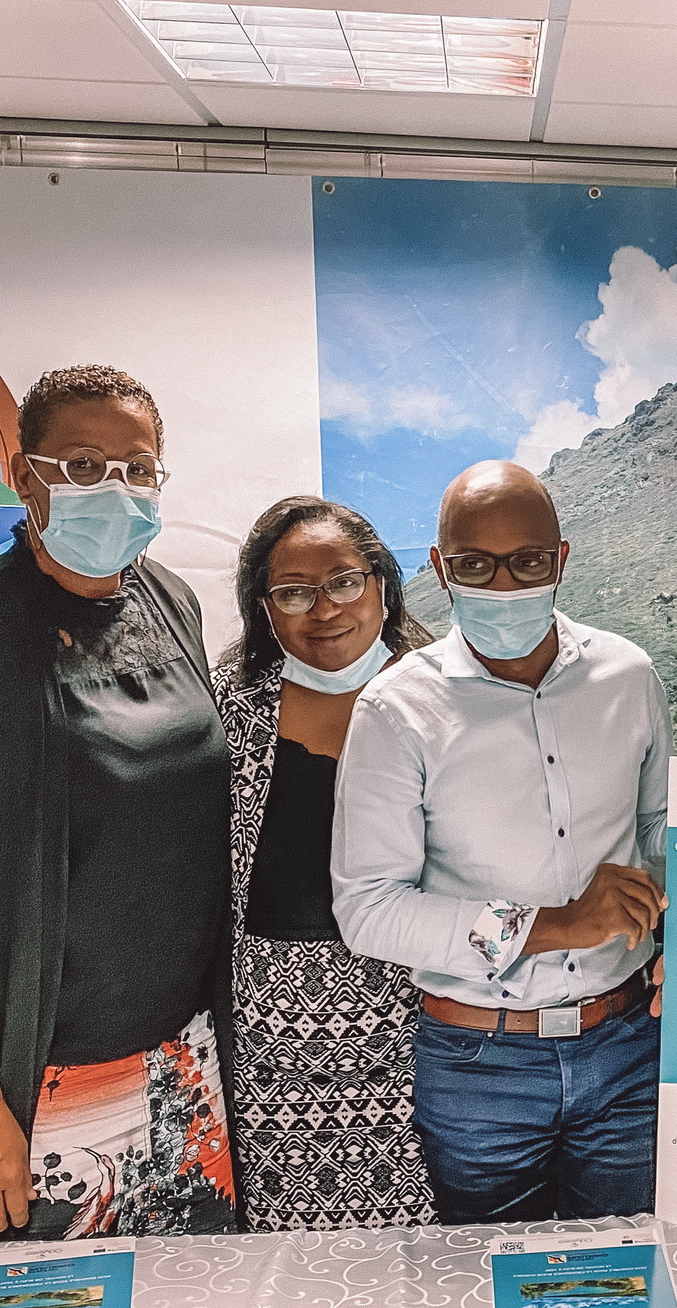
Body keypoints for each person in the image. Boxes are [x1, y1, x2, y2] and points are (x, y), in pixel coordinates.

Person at [0, 365, 237, 1243]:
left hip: (182, 1065)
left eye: (138, 468)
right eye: (84, 465)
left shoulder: (170, 602)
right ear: (23, 475)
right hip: (33, 1087)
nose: (115, 488)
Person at [332, 460, 670, 1223]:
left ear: (562, 560)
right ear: (439, 567)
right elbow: (369, 910)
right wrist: (557, 925)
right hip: (479, 1065)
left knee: (626, 1270)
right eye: (476, 566)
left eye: (528, 562)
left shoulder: (629, 677)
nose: (506, 586)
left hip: (627, 1046)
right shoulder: (396, 710)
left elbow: (659, 831)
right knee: (486, 1283)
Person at [215, 496, 438, 1231]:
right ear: (264, 608)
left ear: (382, 585)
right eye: (294, 592)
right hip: (272, 1046)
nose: (325, 609)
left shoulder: (449, 700)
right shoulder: (230, 711)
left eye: (344, 581)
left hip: (423, 1028)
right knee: (291, 1266)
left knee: (427, 1259)